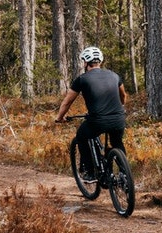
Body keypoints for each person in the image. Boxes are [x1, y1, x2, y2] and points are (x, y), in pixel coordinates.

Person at [55, 46, 128, 179]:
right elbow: (123, 96)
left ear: (85, 62)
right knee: (117, 141)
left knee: (81, 136)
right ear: (100, 61)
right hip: (119, 119)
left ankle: (90, 172)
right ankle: (125, 174)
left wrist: (60, 118)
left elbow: (67, 102)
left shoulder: (82, 79)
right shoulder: (114, 75)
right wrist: (121, 107)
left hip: (97, 121)